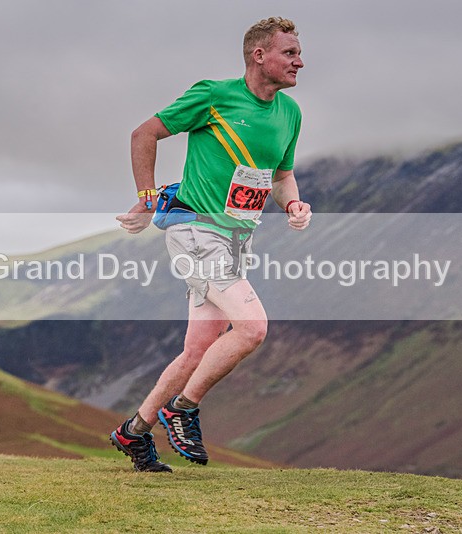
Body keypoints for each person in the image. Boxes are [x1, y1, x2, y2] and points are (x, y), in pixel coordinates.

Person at [112, 17, 311, 472]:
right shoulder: (214, 95)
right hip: (196, 232)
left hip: (237, 240)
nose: (299, 62)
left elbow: (281, 176)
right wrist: (147, 198)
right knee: (252, 327)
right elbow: (144, 133)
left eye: (299, 54)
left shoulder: (290, 113)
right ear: (259, 55)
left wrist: (293, 203)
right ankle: (181, 408)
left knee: (198, 352)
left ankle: (134, 432)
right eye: (290, 53)